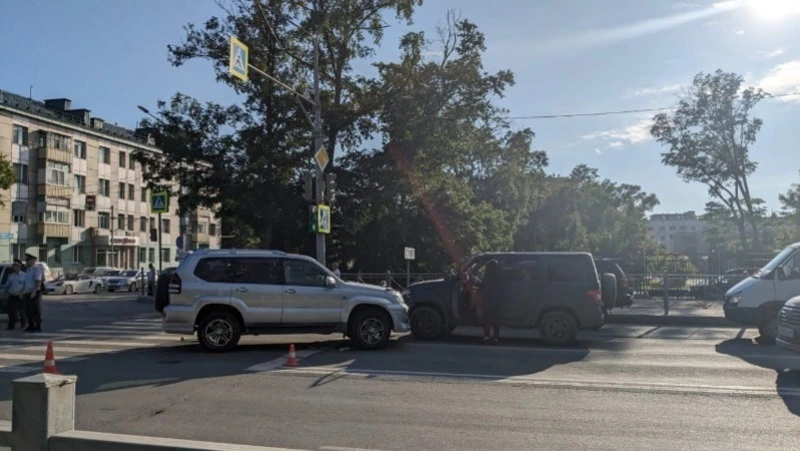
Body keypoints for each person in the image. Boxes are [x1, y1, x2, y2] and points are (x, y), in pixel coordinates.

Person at [480, 259, 503, 344]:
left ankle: (486, 336)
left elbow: (482, 287)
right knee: (496, 320)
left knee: (486, 320)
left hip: (487, 301)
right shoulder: (500, 277)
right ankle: (496, 338)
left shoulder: (486, 276)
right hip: (497, 302)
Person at [23, 253, 44, 332]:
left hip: (35, 292)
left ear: (33, 261)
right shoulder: (28, 270)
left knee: (36, 310)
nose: (27, 262)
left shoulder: (37, 269)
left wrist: (34, 291)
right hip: (27, 292)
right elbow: (26, 282)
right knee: (28, 310)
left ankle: (38, 326)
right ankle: (31, 325)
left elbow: (38, 281)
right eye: (26, 260)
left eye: (28, 260)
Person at [6, 260, 26, 330]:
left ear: (19, 267)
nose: (14, 268)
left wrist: (22, 293)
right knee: (10, 311)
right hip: (12, 295)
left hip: (20, 296)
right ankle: (11, 325)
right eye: (13, 266)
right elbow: (7, 286)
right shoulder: (11, 276)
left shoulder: (24, 275)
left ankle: (23, 324)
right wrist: (7, 293)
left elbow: (26, 286)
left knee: (21, 311)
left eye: (16, 266)